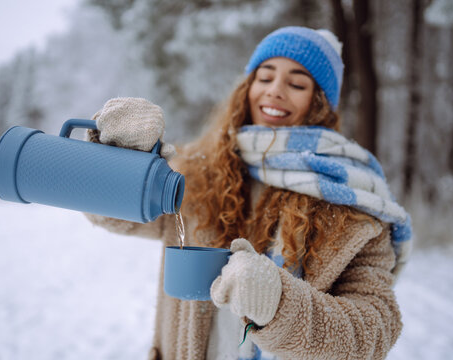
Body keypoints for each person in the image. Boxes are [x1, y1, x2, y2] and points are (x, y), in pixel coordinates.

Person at [84, 26, 412, 360]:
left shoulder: (354, 200)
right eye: (264, 77)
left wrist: (280, 305)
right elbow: (113, 214)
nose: (276, 91)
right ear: (247, 87)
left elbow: (375, 330)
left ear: (320, 104)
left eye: (297, 83)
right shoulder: (197, 171)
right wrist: (119, 158)